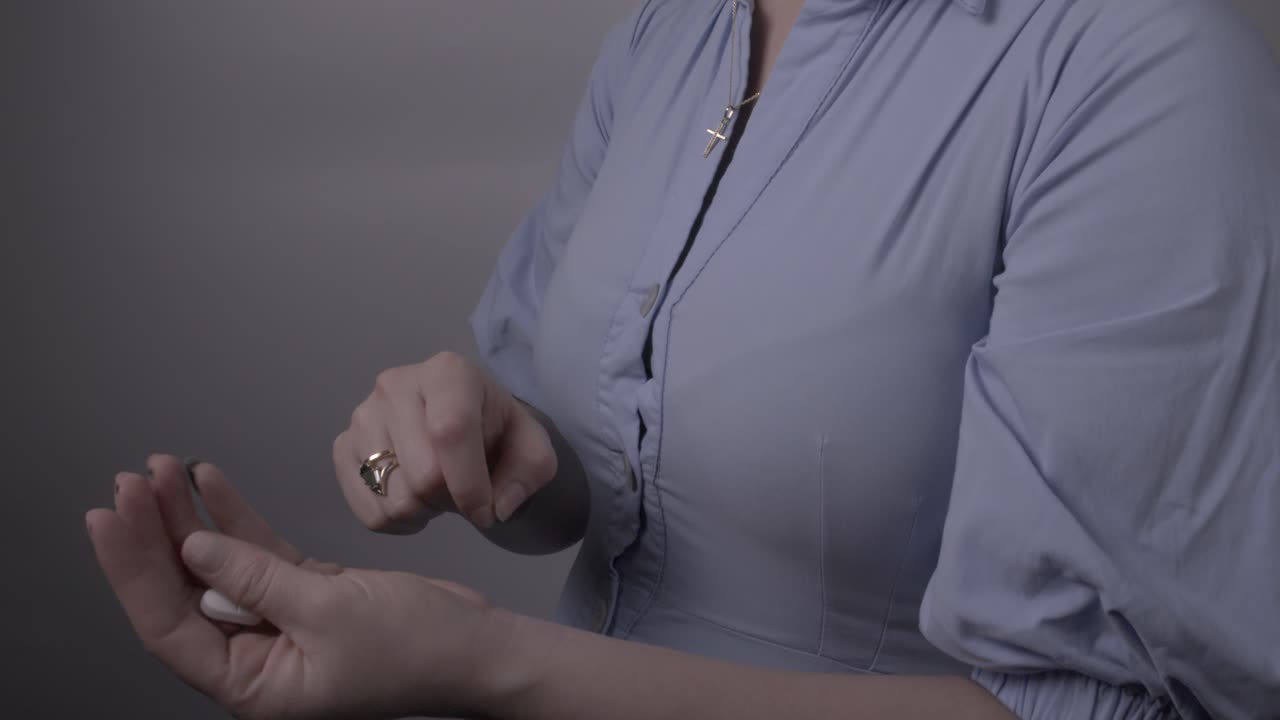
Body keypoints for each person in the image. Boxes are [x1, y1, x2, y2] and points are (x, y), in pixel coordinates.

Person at [86, 0, 1280, 717]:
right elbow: (566, 485)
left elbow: (1097, 710)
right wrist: (463, 445)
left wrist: (480, 666)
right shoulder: (668, 36)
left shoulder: (1136, 65)